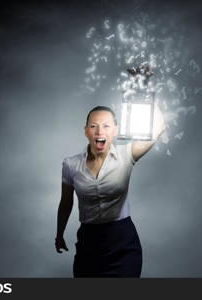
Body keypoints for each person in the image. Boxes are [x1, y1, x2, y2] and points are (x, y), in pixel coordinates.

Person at [55, 103, 165, 277]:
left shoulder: (127, 154)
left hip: (122, 243)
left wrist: (146, 87)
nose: (100, 131)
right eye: (93, 126)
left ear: (115, 130)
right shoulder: (70, 165)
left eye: (106, 126)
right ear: (85, 131)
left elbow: (159, 128)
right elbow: (66, 203)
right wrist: (59, 234)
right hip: (88, 243)